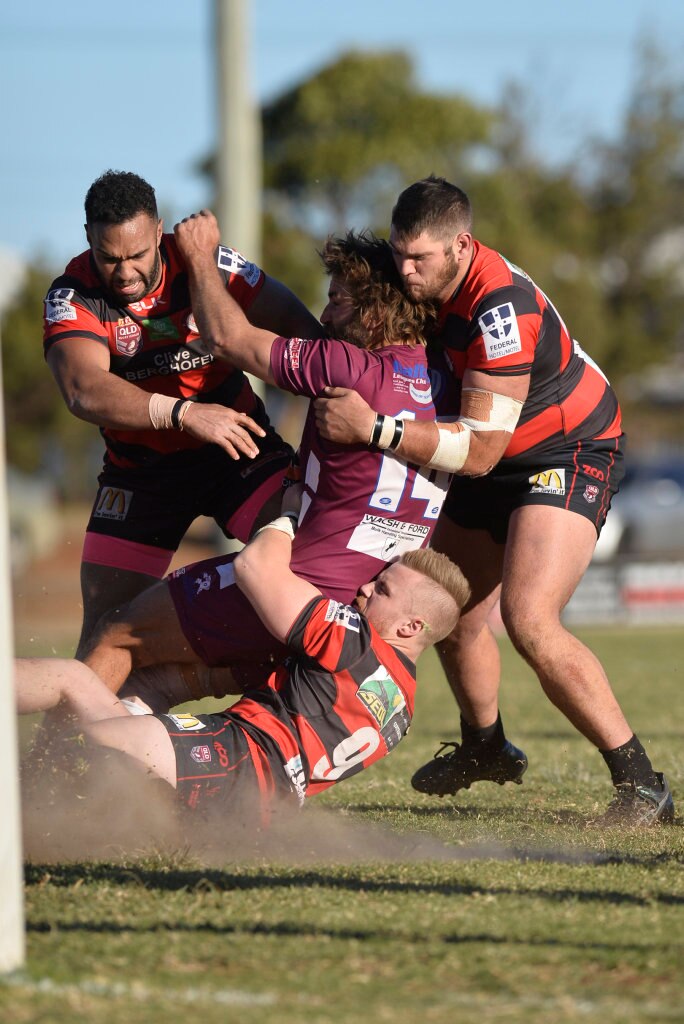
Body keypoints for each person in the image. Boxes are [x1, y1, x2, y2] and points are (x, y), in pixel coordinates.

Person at [312, 176, 674, 827]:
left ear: (462, 246)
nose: (407, 270)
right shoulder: (413, 279)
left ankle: (642, 785)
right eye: (400, 253)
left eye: (421, 258)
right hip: (489, 452)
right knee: (449, 605)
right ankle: (486, 748)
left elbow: (477, 452)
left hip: (566, 449)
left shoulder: (498, 307)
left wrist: (374, 428)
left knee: (530, 618)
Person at [77, 213, 459, 708]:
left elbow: (227, 339)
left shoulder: (347, 366)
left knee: (118, 635)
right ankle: (139, 763)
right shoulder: (445, 381)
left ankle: (50, 767)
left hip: (291, 592)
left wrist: (198, 256)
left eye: (338, 300)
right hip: (353, 612)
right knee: (169, 680)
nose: (323, 317)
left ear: (374, 311)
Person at [16, 517, 471, 826]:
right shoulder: (403, 709)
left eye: (384, 588)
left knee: (72, 684)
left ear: (412, 626)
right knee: (128, 715)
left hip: (224, 759)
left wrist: (284, 517)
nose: (366, 587)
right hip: (253, 813)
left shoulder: (352, 640)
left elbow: (254, 566)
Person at [43, 170, 321, 652]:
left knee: (305, 566)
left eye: (136, 255)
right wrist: (184, 413)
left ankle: (299, 712)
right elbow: (83, 389)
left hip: (238, 449)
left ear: (159, 232)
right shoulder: (73, 294)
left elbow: (306, 336)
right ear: (88, 238)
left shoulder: (208, 263)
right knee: (105, 631)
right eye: (109, 258)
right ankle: (67, 731)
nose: (124, 272)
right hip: (140, 474)